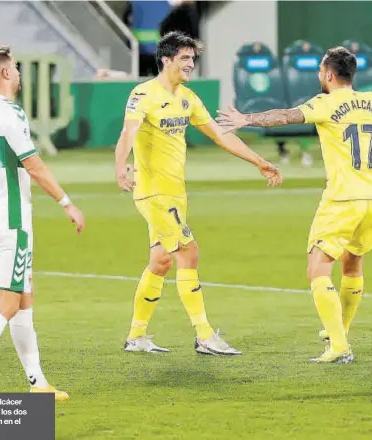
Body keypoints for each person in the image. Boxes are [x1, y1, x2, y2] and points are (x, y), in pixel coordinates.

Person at [217, 46, 372, 363]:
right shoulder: (371, 101)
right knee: (352, 264)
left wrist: (245, 119)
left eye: (321, 70)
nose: (320, 75)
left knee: (317, 268)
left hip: (342, 198)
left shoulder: (324, 103)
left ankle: (339, 346)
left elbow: (287, 116)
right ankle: (340, 330)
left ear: (329, 75)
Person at [115, 32, 282, 356]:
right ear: (166, 60)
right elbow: (128, 132)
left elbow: (221, 136)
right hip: (154, 194)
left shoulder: (188, 99)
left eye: (193, 58)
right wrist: (120, 166)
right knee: (188, 253)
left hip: (176, 194)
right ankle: (204, 335)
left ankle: (136, 336)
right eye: (184, 59)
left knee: (161, 261)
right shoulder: (144, 94)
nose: (191, 64)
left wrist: (259, 161)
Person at [0, 46, 85, 399]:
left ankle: (37, 382)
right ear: (5, 73)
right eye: (17, 67)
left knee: (23, 299)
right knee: (7, 302)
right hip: (10, 221)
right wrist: (67, 202)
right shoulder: (11, 113)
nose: (20, 73)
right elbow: (33, 164)